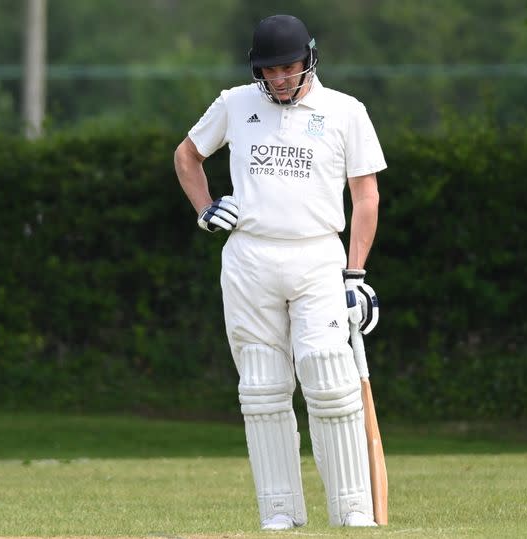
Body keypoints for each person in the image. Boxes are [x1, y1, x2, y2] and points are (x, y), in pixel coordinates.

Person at [173, 14, 384, 529]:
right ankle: (280, 512)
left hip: (317, 257)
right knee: (262, 387)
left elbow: (366, 195)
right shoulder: (235, 103)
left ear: (308, 60)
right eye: (270, 71)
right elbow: (186, 155)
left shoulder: (344, 112)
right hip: (250, 257)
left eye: (289, 69)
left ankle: (352, 509)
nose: (280, 80)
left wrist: (355, 274)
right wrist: (205, 208)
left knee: (330, 379)